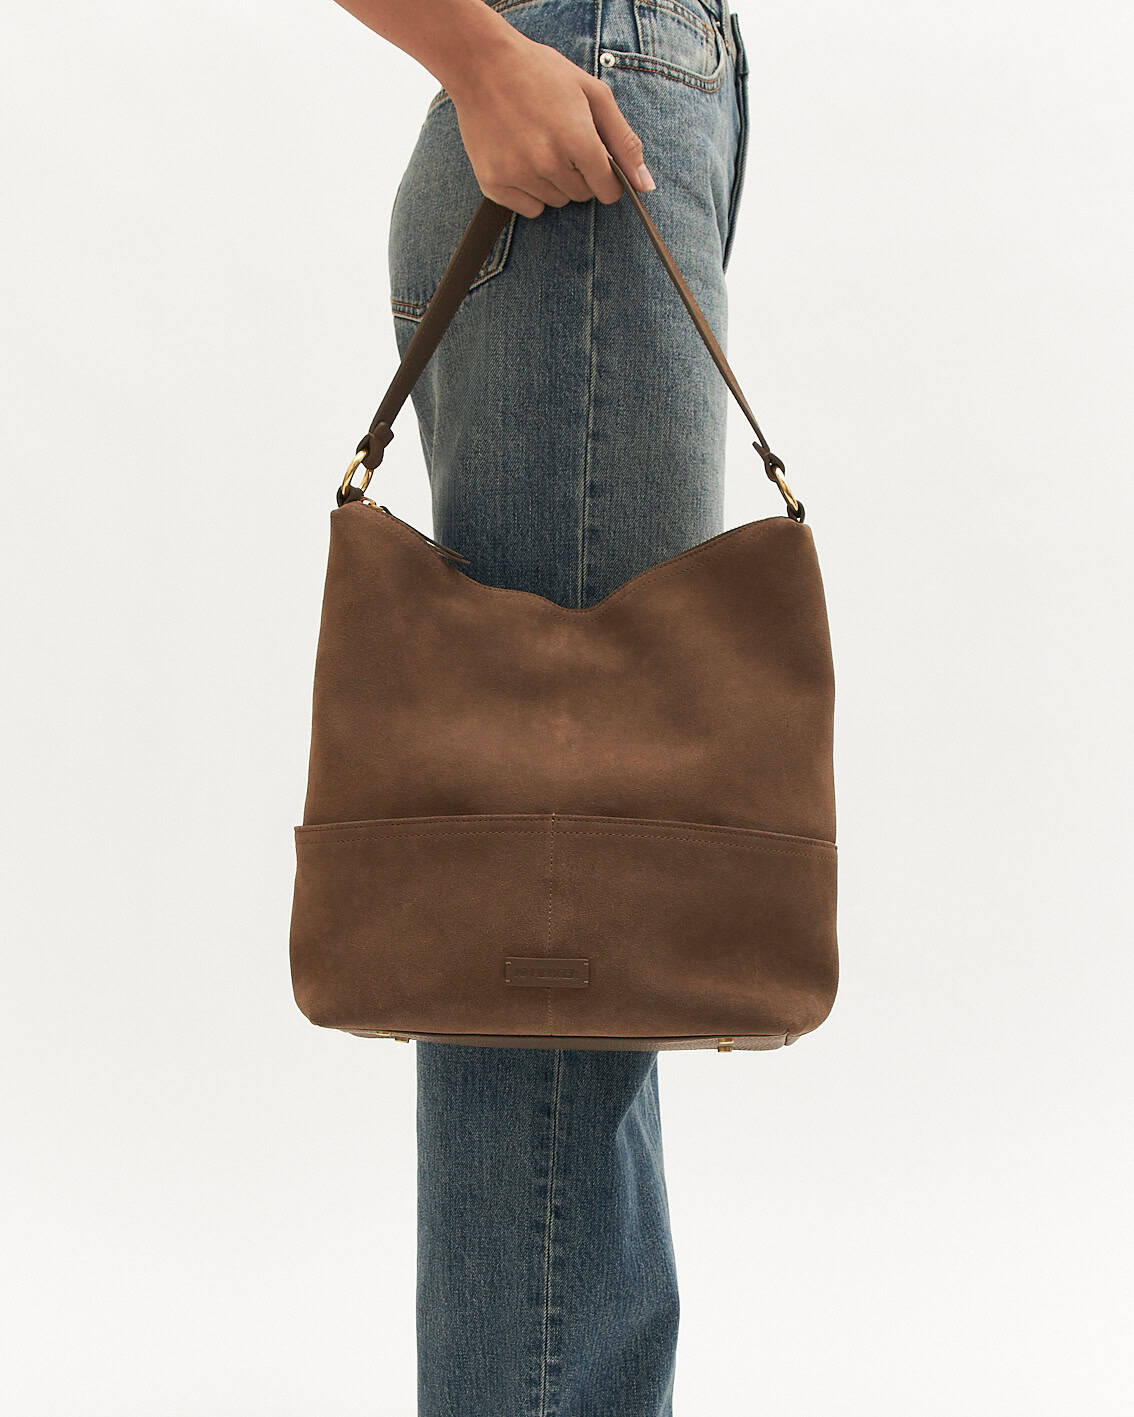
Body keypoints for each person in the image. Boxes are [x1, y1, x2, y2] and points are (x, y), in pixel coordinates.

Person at [331, 2, 750, 1412]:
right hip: (574, 95)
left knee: (563, 916)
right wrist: (477, 51)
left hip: (618, 91)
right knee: (549, 915)